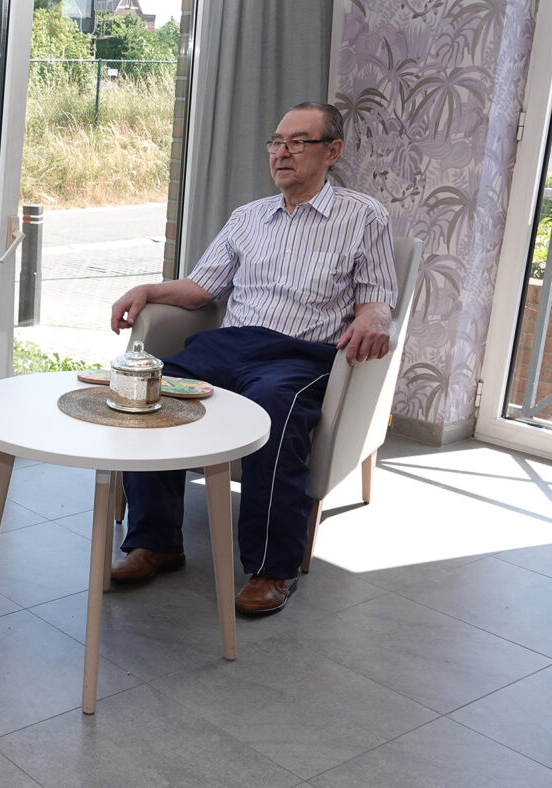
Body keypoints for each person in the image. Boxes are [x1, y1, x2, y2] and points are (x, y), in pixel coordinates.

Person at [109, 102, 398, 615]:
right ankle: (155, 542)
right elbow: (201, 289)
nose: (282, 152)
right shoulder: (247, 217)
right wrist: (146, 289)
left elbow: (377, 296)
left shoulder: (362, 215)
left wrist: (375, 316)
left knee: (273, 409)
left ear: (332, 151)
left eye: (298, 141)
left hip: (298, 356)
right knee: (148, 390)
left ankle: (272, 568)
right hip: (230, 345)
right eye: (277, 141)